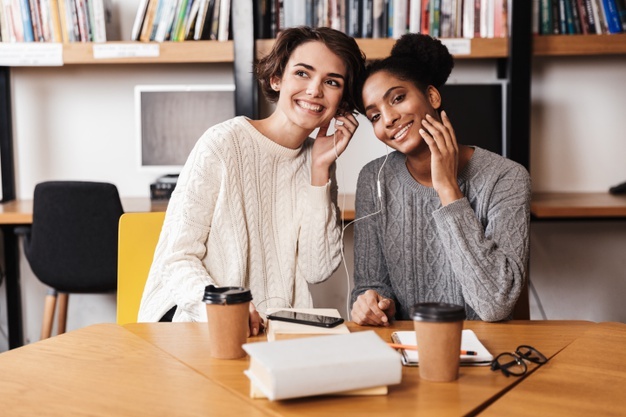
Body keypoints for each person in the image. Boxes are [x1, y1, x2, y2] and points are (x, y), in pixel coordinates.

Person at [139, 27, 366, 335]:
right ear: (276, 79)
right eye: (302, 73)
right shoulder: (222, 144)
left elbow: (318, 269)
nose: (314, 90)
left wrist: (320, 171)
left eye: (331, 81)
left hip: (273, 331)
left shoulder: (319, 160)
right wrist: (225, 306)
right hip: (198, 321)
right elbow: (176, 258)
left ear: (341, 103)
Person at [350, 33, 531, 326]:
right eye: (374, 116)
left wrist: (447, 188)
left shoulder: (506, 178)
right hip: (404, 350)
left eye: (398, 98)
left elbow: (496, 305)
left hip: (486, 352)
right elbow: (369, 286)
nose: (388, 119)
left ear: (432, 96)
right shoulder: (374, 179)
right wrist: (371, 304)